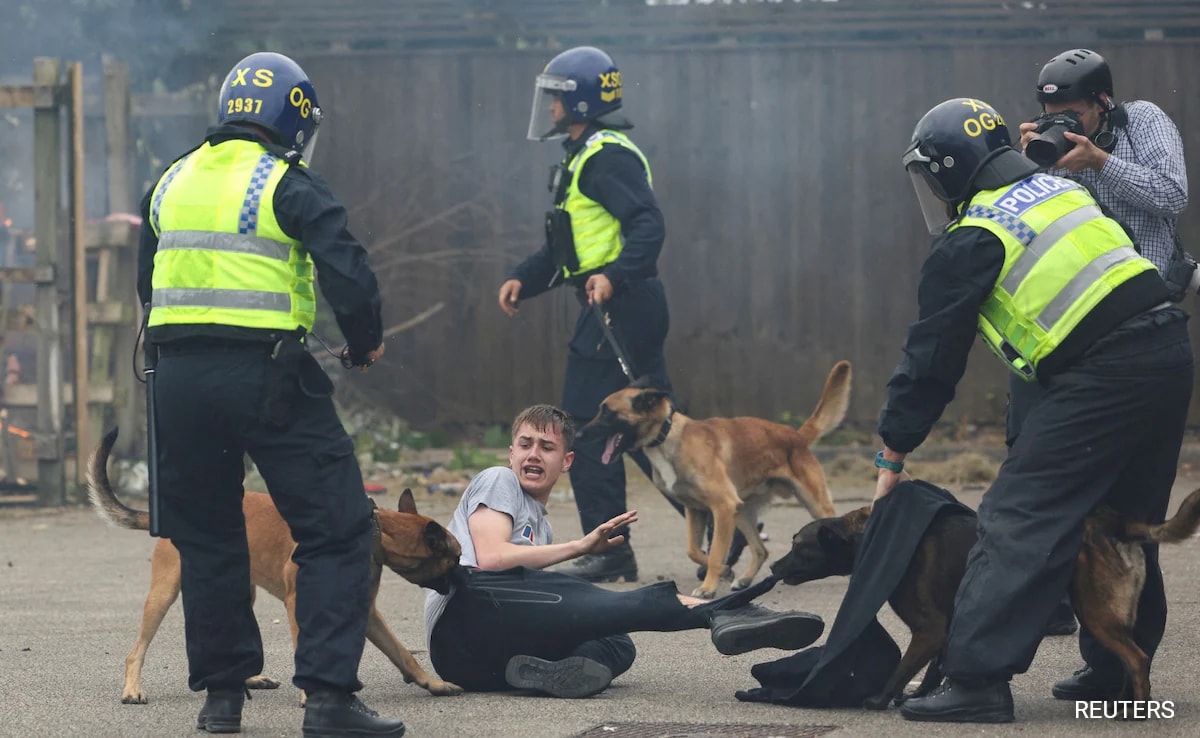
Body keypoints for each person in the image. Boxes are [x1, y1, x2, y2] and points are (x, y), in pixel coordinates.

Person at [873, 97, 1192, 723]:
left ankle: (975, 683)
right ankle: (1115, 675)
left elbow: (932, 357)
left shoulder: (973, 236)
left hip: (1105, 372)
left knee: (1017, 520)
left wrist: (893, 448)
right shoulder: (1059, 192)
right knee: (1122, 523)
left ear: (944, 170)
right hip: (1167, 352)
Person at [136, 51, 403, 737]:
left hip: (178, 381)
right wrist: (366, 337)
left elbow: (149, 285)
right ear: (293, 120)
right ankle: (329, 701)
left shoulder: (169, 181)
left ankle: (223, 701)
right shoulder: (286, 181)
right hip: (268, 375)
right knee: (341, 527)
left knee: (208, 534)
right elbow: (347, 268)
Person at [499, 45, 753, 584]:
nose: (548, 107)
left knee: (588, 429)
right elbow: (566, 249)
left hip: (621, 306)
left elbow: (648, 227)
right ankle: (726, 538)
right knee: (653, 430)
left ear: (583, 102)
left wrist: (613, 275)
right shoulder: (581, 155)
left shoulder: (605, 157)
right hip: (621, 305)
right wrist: (524, 277)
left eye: (557, 98)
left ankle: (612, 550)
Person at [423, 404, 825, 697]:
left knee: (617, 641)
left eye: (546, 447)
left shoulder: (540, 524)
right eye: (525, 444)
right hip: (463, 618)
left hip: (479, 667)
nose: (532, 454)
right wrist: (580, 547)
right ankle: (726, 612)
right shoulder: (498, 480)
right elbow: (491, 559)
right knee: (589, 597)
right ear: (510, 453)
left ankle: (546, 676)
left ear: (566, 461)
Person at [1013, 49, 1190, 644]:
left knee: (1133, 508)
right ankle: (1098, 654)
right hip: (1085, 340)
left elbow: (1171, 196)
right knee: (1084, 507)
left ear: (1102, 103)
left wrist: (1100, 162)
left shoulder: (1143, 124)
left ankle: (1127, 658)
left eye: (1073, 113)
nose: (1064, 123)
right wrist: (1028, 164)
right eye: (1051, 112)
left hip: (1149, 327)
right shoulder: (1052, 153)